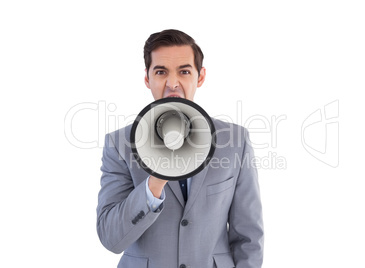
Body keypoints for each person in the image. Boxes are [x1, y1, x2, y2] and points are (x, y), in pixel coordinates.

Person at [97, 29, 264, 268]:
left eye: (184, 71)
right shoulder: (119, 144)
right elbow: (111, 239)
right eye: (161, 72)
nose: (173, 83)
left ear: (200, 76)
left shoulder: (236, 141)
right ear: (147, 78)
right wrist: (154, 184)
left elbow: (249, 237)